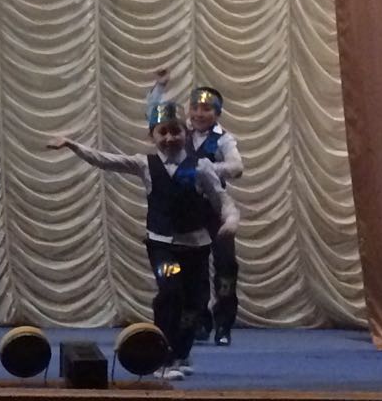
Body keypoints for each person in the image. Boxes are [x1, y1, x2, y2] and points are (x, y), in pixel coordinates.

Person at [48, 100, 238, 381]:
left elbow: (222, 200)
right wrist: (72, 145)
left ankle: (181, 353)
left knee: (194, 304)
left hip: (196, 248)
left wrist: (231, 220)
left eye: (175, 131)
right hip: (162, 247)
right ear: (152, 136)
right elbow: (105, 160)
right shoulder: (145, 164)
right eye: (163, 132)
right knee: (170, 291)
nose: (170, 138)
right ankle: (162, 356)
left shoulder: (202, 167)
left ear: (185, 133)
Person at [185, 83, 243, 345]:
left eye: (206, 109)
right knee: (192, 268)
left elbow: (237, 167)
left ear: (217, 113)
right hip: (188, 210)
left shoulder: (223, 138)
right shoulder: (181, 134)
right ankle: (200, 321)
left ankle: (223, 325)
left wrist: (208, 168)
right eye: (195, 108)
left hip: (216, 209)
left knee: (225, 267)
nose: (199, 113)